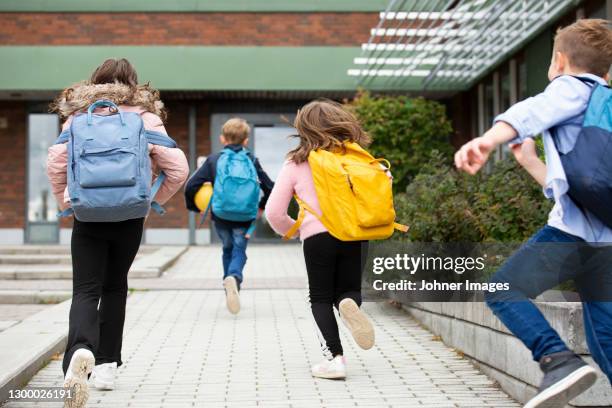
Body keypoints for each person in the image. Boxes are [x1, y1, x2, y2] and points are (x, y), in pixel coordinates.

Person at [454, 19, 612, 408]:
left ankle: (557, 360)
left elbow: (530, 110)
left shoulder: (570, 87)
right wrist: (529, 163)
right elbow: (583, 187)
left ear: (559, 60)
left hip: (573, 237)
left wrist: (487, 140)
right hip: (604, 241)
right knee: (604, 336)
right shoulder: (603, 101)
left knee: (503, 290)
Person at [47, 58, 189, 408]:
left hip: (88, 214)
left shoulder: (80, 116)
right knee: (115, 287)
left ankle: (79, 352)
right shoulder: (145, 116)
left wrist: (66, 202)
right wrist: (152, 202)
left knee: (85, 288)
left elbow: (56, 161)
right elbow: (179, 168)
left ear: (95, 82)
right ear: (133, 83)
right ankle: (108, 365)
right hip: (129, 216)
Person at [265, 100, 377, 380]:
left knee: (320, 297)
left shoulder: (297, 162)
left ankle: (335, 359)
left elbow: (274, 212)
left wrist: (294, 230)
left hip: (318, 236)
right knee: (349, 290)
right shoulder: (359, 157)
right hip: (356, 233)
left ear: (305, 128)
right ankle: (348, 305)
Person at [184, 118, 273, 314]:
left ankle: (229, 285)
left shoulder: (214, 160)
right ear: (246, 141)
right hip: (245, 216)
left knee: (227, 248)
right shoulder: (251, 160)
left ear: (222, 138)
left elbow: (191, 186)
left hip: (221, 215)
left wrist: (195, 207)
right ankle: (234, 278)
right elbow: (270, 187)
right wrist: (261, 207)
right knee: (239, 249)